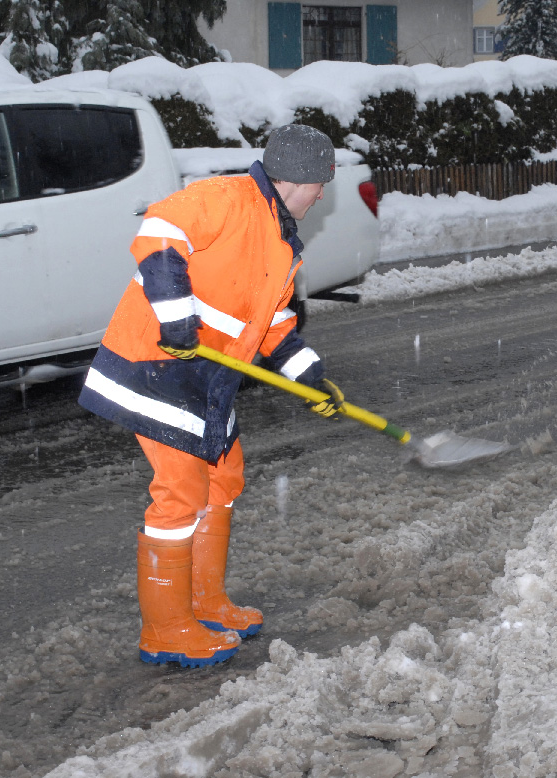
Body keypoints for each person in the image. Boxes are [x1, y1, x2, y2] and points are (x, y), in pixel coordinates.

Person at [78, 124, 344, 668]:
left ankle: (203, 601)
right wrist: (177, 317)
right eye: (322, 183)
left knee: (223, 478)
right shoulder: (226, 198)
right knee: (180, 492)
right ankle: (166, 628)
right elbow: (159, 230)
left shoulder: (280, 239)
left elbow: (273, 325)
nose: (322, 195)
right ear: (299, 178)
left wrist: (310, 378)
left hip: (206, 380)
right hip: (156, 366)